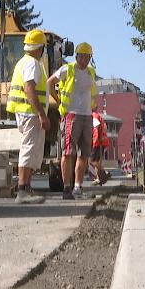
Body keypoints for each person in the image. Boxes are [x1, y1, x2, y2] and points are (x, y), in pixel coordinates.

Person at [6, 29, 51, 205]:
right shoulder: (32, 64)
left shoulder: (22, 62)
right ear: (40, 48)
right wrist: (41, 114)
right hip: (30, 113)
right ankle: (23, 190)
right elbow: (29, 89)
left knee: (31, 149)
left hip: (27, 112)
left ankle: (27, 189)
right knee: (28, 148)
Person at [48, 42, 96, 200]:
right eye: (82, 57)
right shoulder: (67, 69)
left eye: (87, 57)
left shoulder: (91, 72)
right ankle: (67, 188)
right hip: (71, 116)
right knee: (68, 153)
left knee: (83, 154)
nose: (84, 60)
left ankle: (77, 188)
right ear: (77, 57)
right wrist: (59, 102)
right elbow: (50, 83)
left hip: (87, 116)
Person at [90, 112, 111, 184]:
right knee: (97, 161)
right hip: (101, 141)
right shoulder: (98, 116)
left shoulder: (93, 115)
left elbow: (97, 125)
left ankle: (104, 172)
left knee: (93, 161)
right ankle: (98, 178)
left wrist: (99, 137)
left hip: (97, 142)